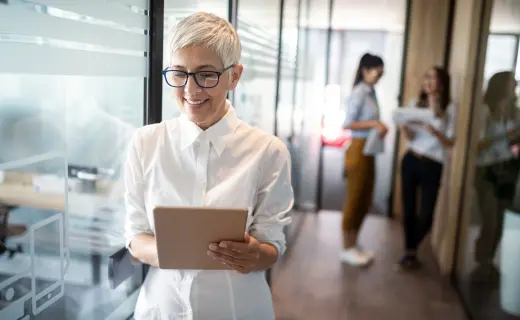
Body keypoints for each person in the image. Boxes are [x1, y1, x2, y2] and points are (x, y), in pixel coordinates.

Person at [123, 12, 293, 320]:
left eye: (206, 75)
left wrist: (256, 255)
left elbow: (272, 245)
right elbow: (135, 237)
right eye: (178, 73)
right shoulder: (145, 143)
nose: (190, 90)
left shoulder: (268, 151)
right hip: (162, 308)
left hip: (235, 309)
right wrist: (177, 253)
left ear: (234, 76)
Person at [398, 66, 456, 269]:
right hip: (411, 160)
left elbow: (450, 143)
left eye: (433, 78)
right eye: (427, 77)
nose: (428, 81)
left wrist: (434, 131)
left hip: (433, 163)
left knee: (427, 215)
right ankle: (410, 253)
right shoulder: (416, 104)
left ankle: (411, 247)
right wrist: (404, 126)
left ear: (442, 83)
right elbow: (411, 137)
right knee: (409, 209)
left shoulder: (450, 108)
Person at [341, 53, 387, 267]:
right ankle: (346, 248)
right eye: (377, 72)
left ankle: (354, 244)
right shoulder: (360, 92)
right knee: (354, 198)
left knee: (365, 199)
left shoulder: (371, 92)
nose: (379, 76)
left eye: (381, 73)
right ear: (365, 70)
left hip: (369, 148)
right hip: (358, 149)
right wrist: (374, 124)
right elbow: (347, 123)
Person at [472, 71, 520, 279]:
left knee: (501, 220)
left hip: (508, 166)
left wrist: (514, 139)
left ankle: (488, 260)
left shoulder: (514, 110)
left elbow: (511, 144)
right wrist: (505, 135)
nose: (515, 86)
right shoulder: (484, 109)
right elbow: (477, 144)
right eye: (512, 83)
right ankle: (481, 258)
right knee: (490, 219)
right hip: (486, 168)